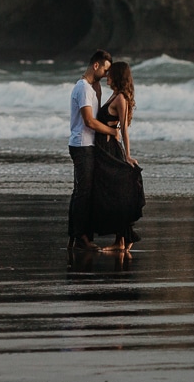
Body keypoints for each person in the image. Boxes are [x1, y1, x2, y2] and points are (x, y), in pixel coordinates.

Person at [89, 60, 144, 253]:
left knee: (114, 194)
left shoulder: (121, 99)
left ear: (118, 76)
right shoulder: (114, 95)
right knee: (110, 193)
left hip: (109, 149)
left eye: (110, 74)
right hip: (103, 146)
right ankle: (122, 240)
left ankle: (120, 242)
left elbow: (125, 130)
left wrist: (127, 156)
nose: (107, 76)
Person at [66, 49, 118, 249]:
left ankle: (76, 235)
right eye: (105, 70)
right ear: (96, 65)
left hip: (85, 144)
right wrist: (112, 133)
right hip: (82, 145)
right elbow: (89, 121)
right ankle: (81, 238)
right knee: (83, 193)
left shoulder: (91, 88)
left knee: (80, 191)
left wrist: (98, 91)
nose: (107, 75)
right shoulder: (83, 88)